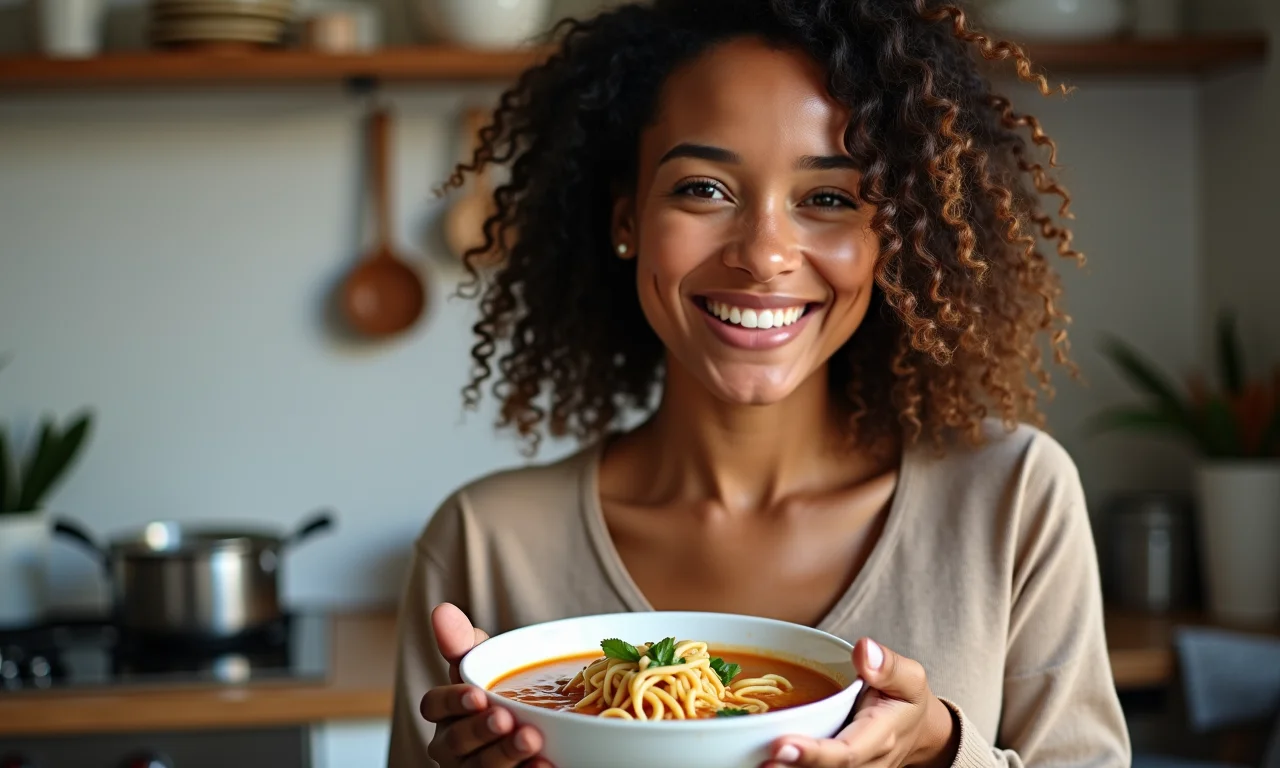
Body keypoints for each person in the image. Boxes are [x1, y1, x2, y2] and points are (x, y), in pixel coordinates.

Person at [388, 0, 1132, 766]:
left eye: (831, 198)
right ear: (627, 219)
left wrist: (939, 750)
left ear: (895, 237)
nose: (764, 254)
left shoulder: (1012, 498)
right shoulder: (483, 545)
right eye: (704, 189)